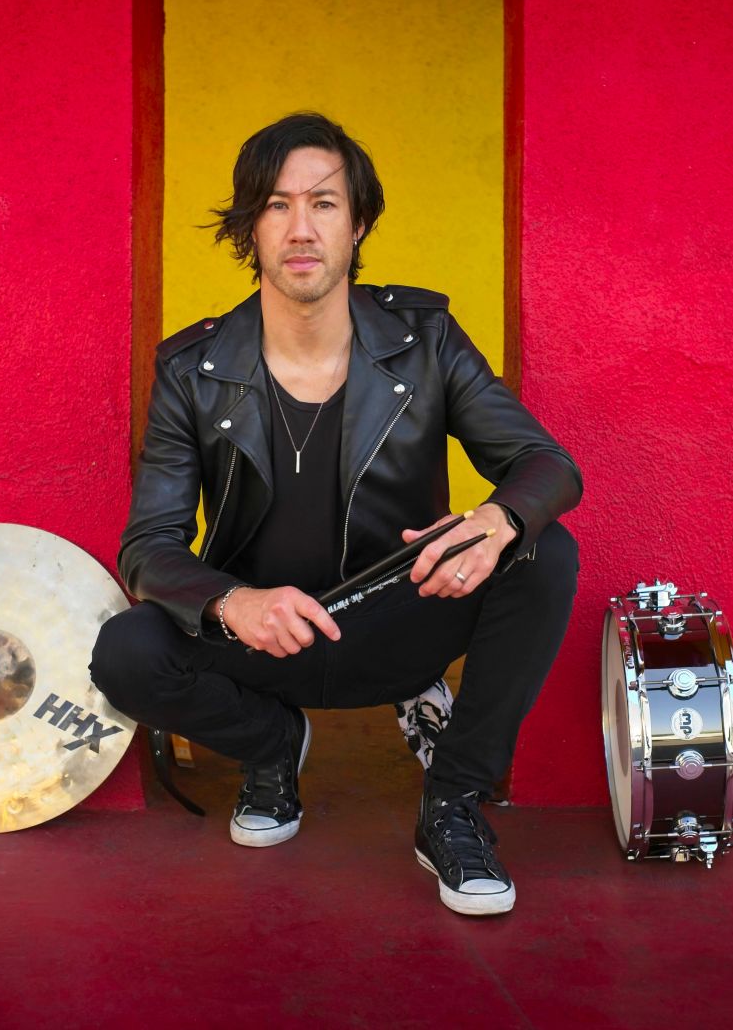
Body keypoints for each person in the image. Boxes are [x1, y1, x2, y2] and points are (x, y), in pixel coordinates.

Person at [90, 112, 581, 916]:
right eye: (276, 205)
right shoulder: (192, 369)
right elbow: (148, 545)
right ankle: (272, 747)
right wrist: (232, 602)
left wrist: (498, 519)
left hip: (399, 613)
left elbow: (547, 465)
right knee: (125, 652)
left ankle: (452, 801)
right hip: (262, 634)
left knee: (542, 550)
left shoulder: (424, 339)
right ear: (250, 228)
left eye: (323, 203)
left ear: (357, 224)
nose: (301, 228)